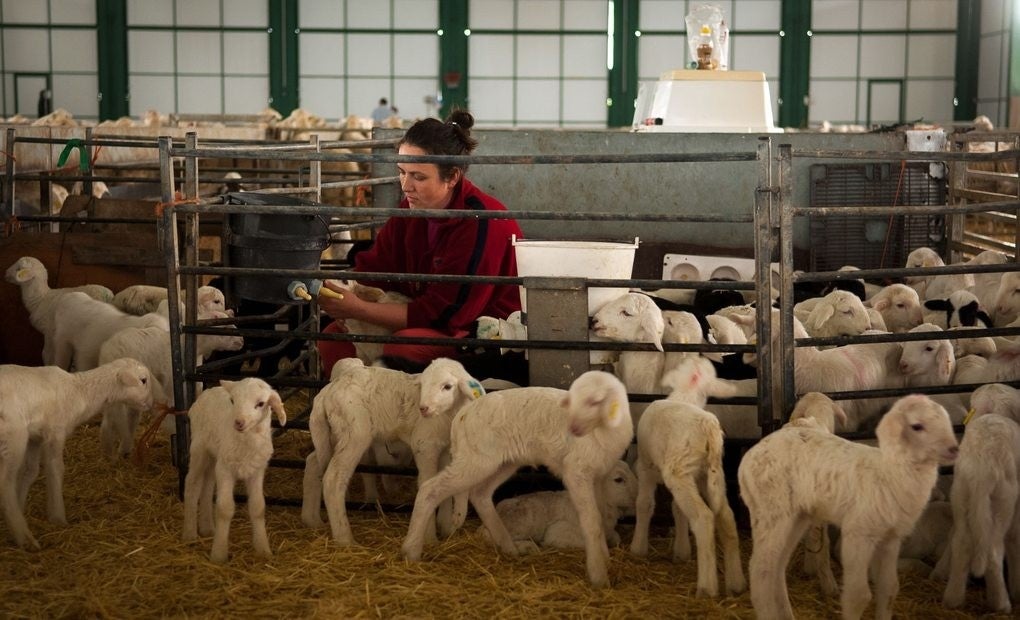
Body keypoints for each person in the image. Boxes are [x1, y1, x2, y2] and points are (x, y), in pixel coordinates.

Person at [317, 109, 523, 375]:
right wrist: (348, 300)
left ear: (452, 177)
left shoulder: (482, 222)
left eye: (419, 176)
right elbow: (377, 269)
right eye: (402, 172)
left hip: (482, 333)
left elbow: (446, 315)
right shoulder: (410, 212)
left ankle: (402, 414)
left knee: (404, 349)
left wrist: (360, 309)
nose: (405, 185)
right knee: (334, 337)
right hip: (426, 317)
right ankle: (357, 410)